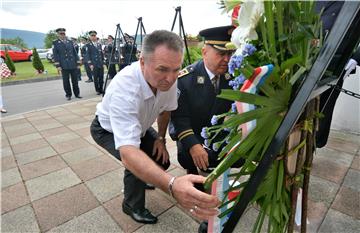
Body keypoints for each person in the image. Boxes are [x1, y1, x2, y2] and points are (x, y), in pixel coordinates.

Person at [90, 30, 219, 225]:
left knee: (161, 161)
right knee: (136, 165)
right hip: (106, 129)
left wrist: (160, 139)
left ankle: (147, 176)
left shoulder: (168, 81)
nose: (170, 78)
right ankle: (132, 205)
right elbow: (129, 152)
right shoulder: (124, 91)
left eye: (176, 69)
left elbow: (166, 110)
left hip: (141, 126)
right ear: (142, 62)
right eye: (162, 69)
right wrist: (171, 185)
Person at [170, 26, 244, 180]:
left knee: (238, 157)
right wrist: (193, 145)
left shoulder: (233, 76)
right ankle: (191, 170)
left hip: (217, 133)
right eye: (221, 54)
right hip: (194, 133)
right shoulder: (185, 79)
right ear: (204, 52)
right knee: (188, 154)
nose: (227, 59)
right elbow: (180, 119)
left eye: (230, 53)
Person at [315, 1, 360, 148]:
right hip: (306, 59)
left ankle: (312, 147)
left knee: (323, 110)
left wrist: (355, 58)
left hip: (337, 64)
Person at [52, 28, 82, 100]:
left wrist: (78, 63)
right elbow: (56, 55)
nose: (62, 35)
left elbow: (75, 53)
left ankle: (77, 94)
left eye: (63, 34)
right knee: (66, 81)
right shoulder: (55, 43)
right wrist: (58, 65)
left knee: (75, 80)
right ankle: (68, 95)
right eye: (61, 34)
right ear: (58, 34)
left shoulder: (70, 42)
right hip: (63, 65)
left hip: (73, 64)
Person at [85, 30, 104, 95]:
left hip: (100, 63)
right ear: (90, 37)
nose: (93, 37)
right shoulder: (88, 45)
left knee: (101, 77)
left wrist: (103, 62)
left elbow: (101, 54)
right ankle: (97, 90)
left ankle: (101, 89)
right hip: (94, 64)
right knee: (96, 78)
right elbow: (87, 55)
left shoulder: (99, 44)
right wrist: (90, 64)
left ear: (96, 36)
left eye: (94, 36)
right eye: (92, 36)